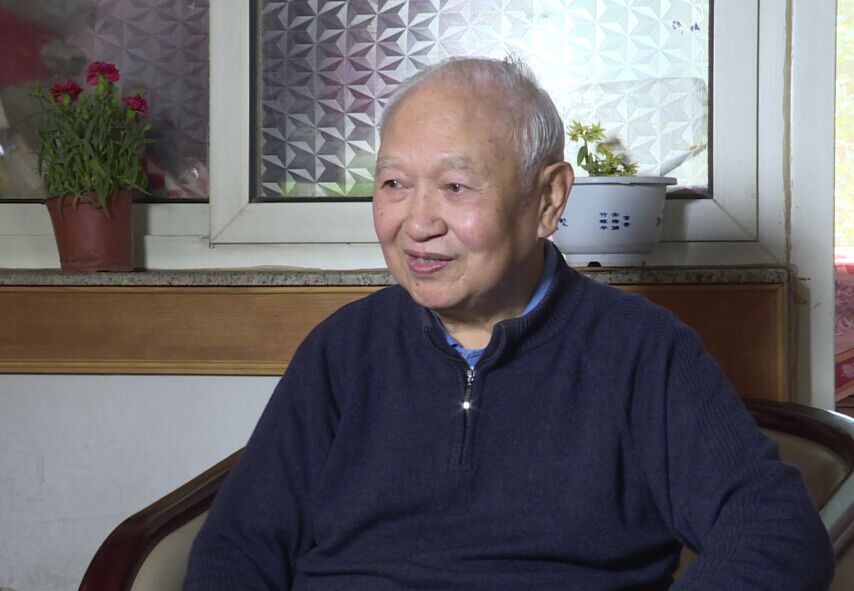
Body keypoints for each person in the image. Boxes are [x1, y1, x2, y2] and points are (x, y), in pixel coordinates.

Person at [184, 56, 835, 590]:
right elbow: (238, 550)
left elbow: (775, 532)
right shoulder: (344, 349)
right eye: (393, 184)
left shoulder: (640, 351)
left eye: (456, 187)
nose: (416, 222)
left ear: (548, 200)